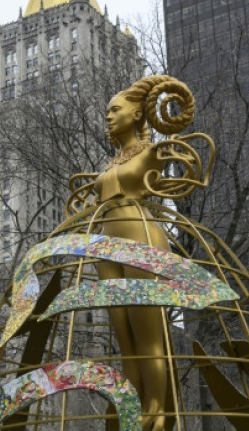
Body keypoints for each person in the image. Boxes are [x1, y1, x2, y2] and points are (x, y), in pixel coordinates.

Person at [91, 75, 195, 431]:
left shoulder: (152, 153)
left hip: (141, 239)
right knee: (124, 339)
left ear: (137, 115)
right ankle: (132, 408)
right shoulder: (110, 162)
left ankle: (158, 409)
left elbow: (182, 163)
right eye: (107, 111)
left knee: (149, 335)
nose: (108, 116)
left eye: (115, 110)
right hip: (107, 247)